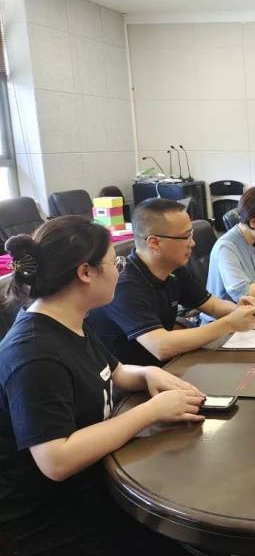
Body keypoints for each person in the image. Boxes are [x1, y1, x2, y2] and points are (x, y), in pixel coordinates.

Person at [0, 216, 203, 555]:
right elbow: (56, 460)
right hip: (52, 519)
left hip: (95, 485)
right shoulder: (34, 354)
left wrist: (147, 374)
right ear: (85, 272)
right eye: (115, 263)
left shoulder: (70, 319)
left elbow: (115, 372)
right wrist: (151, 411)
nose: (119, 271)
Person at [88, 198, 255, 367]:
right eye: (186, 236)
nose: (192, 243)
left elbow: (213, 305)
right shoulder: (124, 285)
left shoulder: (173, 267)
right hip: (135, 378)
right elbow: (161, 346)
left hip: (166, 367)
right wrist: (230, 322)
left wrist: (241, 310)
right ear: (154, 243)